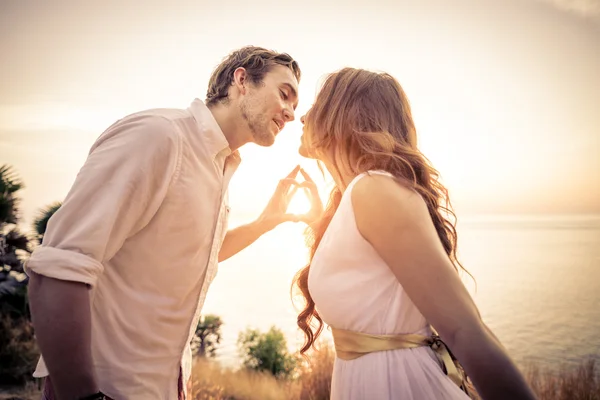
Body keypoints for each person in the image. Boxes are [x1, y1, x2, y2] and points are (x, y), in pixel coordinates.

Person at [26, 46, 306, 400]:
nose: (292, 113)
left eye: (295, 104)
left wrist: (264, 223)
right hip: (108, 389)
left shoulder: (219, 164)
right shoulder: (160, 136)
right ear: (242, 80)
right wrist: (83, 396)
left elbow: (195, 255)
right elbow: (58, 268)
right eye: (285, 94)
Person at [292, 68, 537, 400]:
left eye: (318, 103)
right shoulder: (354, 198)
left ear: (343, 114)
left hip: (401, 385)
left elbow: (464, 329)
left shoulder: (375, 190)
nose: (302, 115)